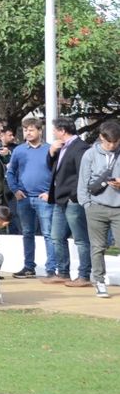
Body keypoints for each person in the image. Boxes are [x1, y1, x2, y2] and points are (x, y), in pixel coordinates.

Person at [76, 121, 120, 298]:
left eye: (116, 142)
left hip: (118, 207)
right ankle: (99, 281)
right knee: (97, 247)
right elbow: (83, 182)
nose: (112, 145)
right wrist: (86, 204)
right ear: (101, 137)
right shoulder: (90, 154)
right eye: (109, 142)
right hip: (96, 207)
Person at [5, 119, 54, 280]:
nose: (28, 133)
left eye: (31, 130)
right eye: (25, 130)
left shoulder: (49, 149)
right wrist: (15, 190)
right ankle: (28, 267)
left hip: (44, 198)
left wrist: (49, 192)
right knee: (27, 232)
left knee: (48, 233)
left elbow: (57, 173)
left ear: (40, 131)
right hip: (24, 198)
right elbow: (11, 172)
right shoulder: (19, 150)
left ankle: (51, 268)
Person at [46, 117, 90, 286]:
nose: (53, 133)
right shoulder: (61, 146)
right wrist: (51, 152)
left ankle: (84, 275)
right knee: (56, 237)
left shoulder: (80, 147)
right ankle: (62, 272)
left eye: (54, 130)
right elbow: (52, 168)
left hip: (72, 200)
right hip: (59, 198)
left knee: (80, 238)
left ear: (62, 130)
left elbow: (82, 174)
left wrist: (74, 196)